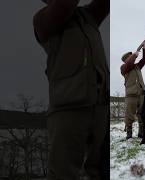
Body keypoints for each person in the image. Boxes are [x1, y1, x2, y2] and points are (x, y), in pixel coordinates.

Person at [33, 0, 109, 179]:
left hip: (99, 106)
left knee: (99, 171)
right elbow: (65, 5)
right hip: (68, 106)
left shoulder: (87, 16)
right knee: (63, 173)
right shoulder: (41, 19)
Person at [121, 41, 145, 139]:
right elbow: (129, 64)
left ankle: (141, 133)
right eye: (130, 56)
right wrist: (135, 55)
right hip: (131, 95)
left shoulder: (137, 67)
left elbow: (144, 60)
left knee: (141, 115)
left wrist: (144, 48)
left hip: (141, 94)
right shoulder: (124, 68)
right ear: (126, 59)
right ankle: (129, 134)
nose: (132, 56)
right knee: (129, 116)